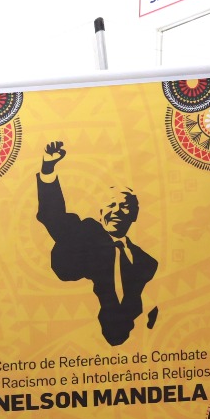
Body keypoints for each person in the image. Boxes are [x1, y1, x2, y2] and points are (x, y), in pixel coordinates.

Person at [36, 140, 159, 346]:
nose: (117, 211)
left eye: (125, 206)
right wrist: (48, 169)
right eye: (111, 204)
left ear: (136, 214)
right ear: (100, 213)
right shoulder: (84, 233)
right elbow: (53, 215)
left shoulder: (147, 263)